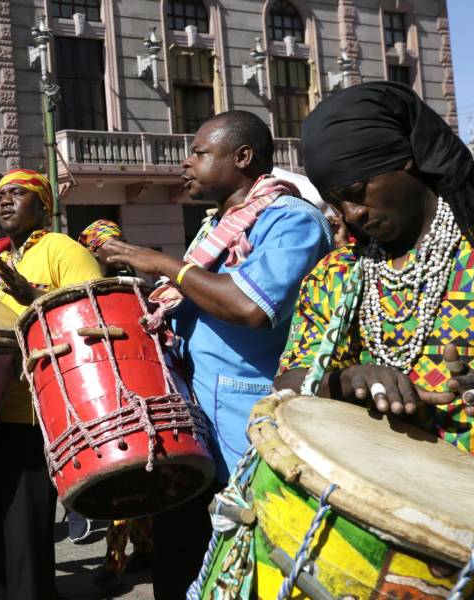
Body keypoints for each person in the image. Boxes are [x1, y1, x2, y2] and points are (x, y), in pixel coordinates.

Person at [105, 110, 332, 599]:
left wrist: (162, 263)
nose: (186, 163)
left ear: (242, 157)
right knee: (181, 564)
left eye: (200, 153)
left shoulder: (292, 221)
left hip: (245, 425)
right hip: (195, 423)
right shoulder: (220, 227)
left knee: (239, 567)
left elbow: (250, 307)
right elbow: (201, 300)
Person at [274, 81, 474, 473]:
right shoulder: (337, 272)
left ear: (406, 162)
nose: (351, 214)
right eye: (336, 202)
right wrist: (351, 378)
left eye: (358, 190)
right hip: (375, 497)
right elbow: (286, 385)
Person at [0, 169, 102, 600]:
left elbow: (93, 323)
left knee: (25, 538)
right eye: (0, 195)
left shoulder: (61, 249)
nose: (5, 201)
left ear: (43, 206)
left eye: (17, 194)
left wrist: (35, 297)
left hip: (32, 416)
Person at [77, 219, 153, 591]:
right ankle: (115, 563)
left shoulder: (143, 289)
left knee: (151, 481)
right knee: (124, 484)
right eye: (106, 247)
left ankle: (144, 550)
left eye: (119, 244)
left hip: (147, 390)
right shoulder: (88, 292)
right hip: (108, 397)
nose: (116, 253)